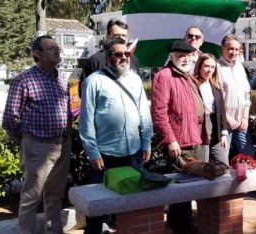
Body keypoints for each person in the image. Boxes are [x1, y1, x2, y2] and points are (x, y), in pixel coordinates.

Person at [79, 37, 153, 234]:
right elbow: (86, 122)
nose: (123, 58)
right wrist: (93, 153)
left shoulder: (135, 79)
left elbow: (144, 114)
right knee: (97, 207)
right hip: (105, 155)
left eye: (126, 53)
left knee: (132, 201)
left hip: (134, 153)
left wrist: (146, 142)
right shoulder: (93, 82)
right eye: (118, 54)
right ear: (107, 56)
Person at [2, 35, 71, 234]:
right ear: (37, 54)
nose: (57, 51)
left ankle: (54, 230)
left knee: (55, 195)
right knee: (31, 198)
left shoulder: (61, 78)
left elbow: (66, 110)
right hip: (37, 147)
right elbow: (9, 119)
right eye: (51, 49)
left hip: (62, 144)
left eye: (57, 47)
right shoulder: (24, 80)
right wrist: (27, 141)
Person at [150, 40, 204, 233]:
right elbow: (159, 112)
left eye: (188, 55)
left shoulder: (188, 76)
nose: (185, 59)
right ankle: (181, 226)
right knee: (180, 188)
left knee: (188, 187)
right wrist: (170, 139)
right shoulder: (164, 76)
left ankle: (181, 222)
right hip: (178, 142)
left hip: (193, 139)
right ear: (171, 56)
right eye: (181, 55)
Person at [217, 34, 254, 158]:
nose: (234, 52)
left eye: (237, 49)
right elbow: (214, 98)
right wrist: (227, 118)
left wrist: (244, 118)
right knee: (222, 160)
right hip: (224, 124)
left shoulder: (240, 68)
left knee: (248, 156)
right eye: (231, 49)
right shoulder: (216, 67)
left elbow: (246, 95)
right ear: (223, 48)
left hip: (241, 122)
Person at [195, 53, 229, 165]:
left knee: (223, 164)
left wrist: (224, 133)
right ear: (199, 66)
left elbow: (222, 111)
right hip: (199, 127)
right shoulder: (193, 85)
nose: (209, 70)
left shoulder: (216, 86)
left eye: (212, 67)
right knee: (202, 165)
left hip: (215, 128)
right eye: (206, 66)